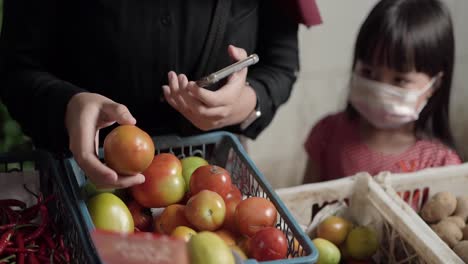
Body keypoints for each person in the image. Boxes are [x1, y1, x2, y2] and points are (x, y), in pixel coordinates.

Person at [0, 0, 300, 189]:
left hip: (214, 183)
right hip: (76, 183)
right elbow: (16, 68)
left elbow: (281, 64)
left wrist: (246, 102)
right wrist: (67, 105)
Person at [303, 0, 462, 184]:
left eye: (400, 80)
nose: (379, 91)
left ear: (434, 85)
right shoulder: (328, 134)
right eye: (368, 72)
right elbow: (301, 206)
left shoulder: (441, 166)